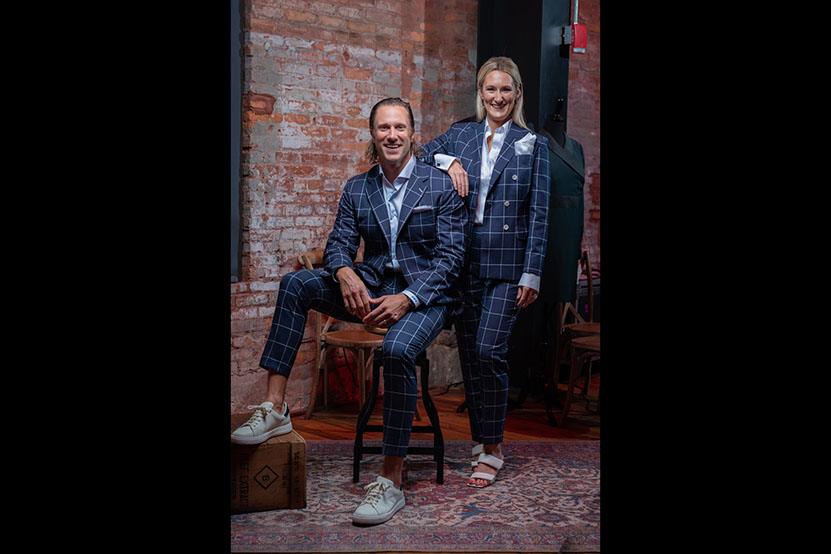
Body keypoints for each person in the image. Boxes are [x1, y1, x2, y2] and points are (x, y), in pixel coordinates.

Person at [231, 97, 468, 525]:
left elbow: (451, 261)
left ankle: (390, 480)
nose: (392, 135)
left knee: (397, 350)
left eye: (399, 127)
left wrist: (408, 298)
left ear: (412, 134)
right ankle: (275, 408)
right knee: (295, 284)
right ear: (372, 135)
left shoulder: (440, 185)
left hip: (426, 298)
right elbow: (339, 241)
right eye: (383, 128)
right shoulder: (358, 187)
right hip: (371, 290)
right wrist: (343, 272)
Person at [417, 56, 551, 488]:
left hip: (508, 265)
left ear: (517, 93)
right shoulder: (462, 135)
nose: (498, 97)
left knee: (490, 351)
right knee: (472, 357)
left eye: (505, 89)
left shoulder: (533, 143)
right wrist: (449, 163)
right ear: (481, 93)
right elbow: (419, 154)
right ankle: (481, 441)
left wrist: (532, 273)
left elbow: (540, 214)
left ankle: (493, 447)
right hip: (464, 261)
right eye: (490, 89)